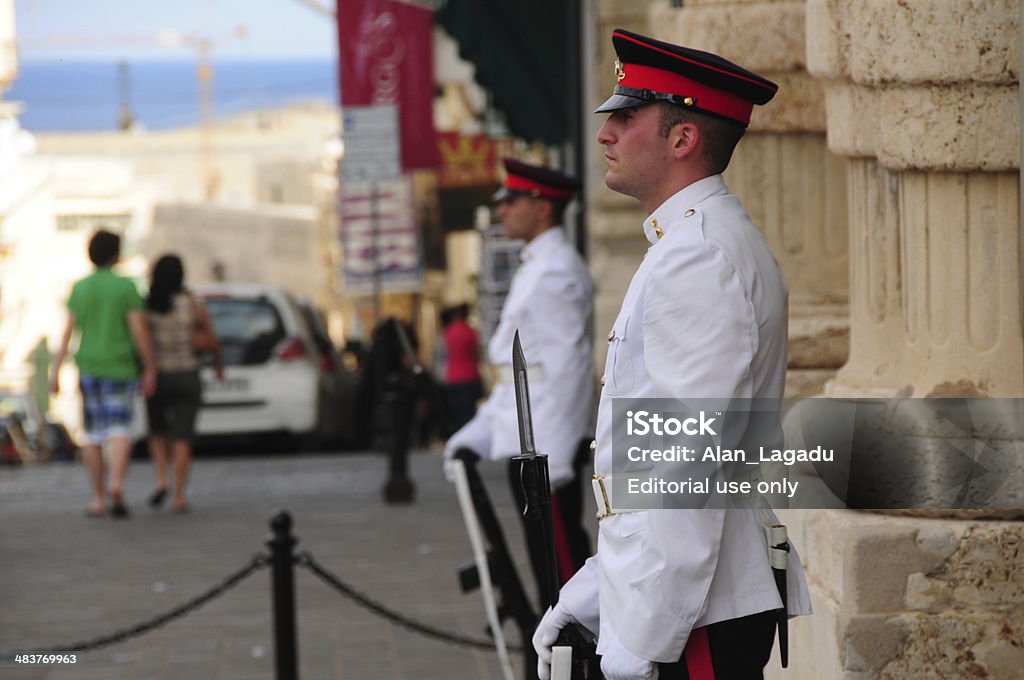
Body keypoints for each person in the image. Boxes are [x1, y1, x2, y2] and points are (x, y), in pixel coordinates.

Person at [532, 29, 812, 680]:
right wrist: (599, 589)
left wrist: (640, 641)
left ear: (682, 140)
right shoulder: (689, 244)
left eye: (626, 117)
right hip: (691, 602)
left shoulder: (698, 256)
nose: (605, 133)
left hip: (695, 615)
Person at [444, 158, 595, 599]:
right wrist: (478, 432)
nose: (502, 211)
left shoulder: (556, 270)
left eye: (511, 201)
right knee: (543, 561)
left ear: (542, 207)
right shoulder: (536, 266)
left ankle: (579, 657)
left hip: (544, 448)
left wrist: (559, 458)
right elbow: (516, 375)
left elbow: (569, 368)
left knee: (561, 567)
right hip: (526, 440)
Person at [50, 229, 157, 518]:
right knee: (120, 427)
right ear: (117, 254)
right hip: (120, 366)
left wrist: (56, 369)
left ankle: (97, 498)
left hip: (88, 367)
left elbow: (67, 332)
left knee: (93, 434)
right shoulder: (126, 287)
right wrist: (149, 366)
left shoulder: (80, 287)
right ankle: (116, 484)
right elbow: (138, 329)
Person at [144, 254, 222, 514]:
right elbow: (211, 338)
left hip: (158, 374)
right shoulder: (192, 303)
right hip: (188, 373)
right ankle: (178, 495)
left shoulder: (148, 305)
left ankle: (161, 479)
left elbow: (141, 342)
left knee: (158, 432)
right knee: (182, 436)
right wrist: (219, 366)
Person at [439, 303, 483, 434]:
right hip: (470, 376)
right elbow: (477, 354)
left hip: (452, 377)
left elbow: (442, 355)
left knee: (456, 413)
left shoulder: (447, 333)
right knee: (470, 414)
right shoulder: (471, 332)